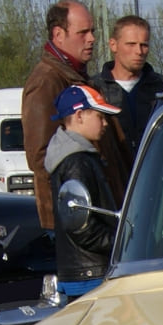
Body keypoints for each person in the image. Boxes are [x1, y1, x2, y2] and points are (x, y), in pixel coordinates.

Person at [23, 1, 127, 230]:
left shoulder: (77, 76)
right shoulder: (46, 81)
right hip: (78, 222)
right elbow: (41, 157)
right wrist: (83, 193)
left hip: (98, 214)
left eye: (92, 31)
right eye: (83, 32)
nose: (91, 39)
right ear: (58, 34)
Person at [46, 84, 122, 299]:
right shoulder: (76, 161)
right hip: (89, 275)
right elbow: (80, 225)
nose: (105, 123)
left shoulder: (79, 156)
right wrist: (122, 241)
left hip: (84, 272)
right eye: (100, 116)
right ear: (79, 115)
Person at [89, 15, 163, 166]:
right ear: (113, 45)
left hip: (156, 176)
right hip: (112, 179)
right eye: (131, 44)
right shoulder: (93, 90)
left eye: (144, 45)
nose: (139, 51)